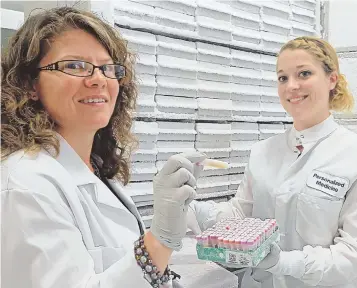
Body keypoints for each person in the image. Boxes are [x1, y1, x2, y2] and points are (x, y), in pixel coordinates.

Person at [1, 7, 206, 288]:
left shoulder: (96, 167)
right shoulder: (26, 183)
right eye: (74, 65)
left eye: (108, 68)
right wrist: (159, 241)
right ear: (30, 84)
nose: (98, 79)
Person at [188, 36, 357, 288]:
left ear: (332, 79)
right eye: (282, 78)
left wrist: (284, 263)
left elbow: (351, 256)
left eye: (304, 74)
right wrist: (191, 207)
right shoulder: (262, 152)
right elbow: (239, 216)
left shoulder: (351, 154)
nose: (291, 86)